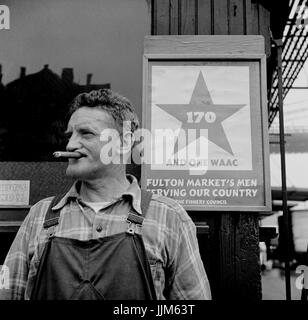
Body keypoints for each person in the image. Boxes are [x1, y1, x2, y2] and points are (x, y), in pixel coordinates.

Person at [0, 89, 211, 300]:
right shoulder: (39, 216)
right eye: (70, 135)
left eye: (86, 133)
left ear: (125, 142)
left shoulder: (168, 216)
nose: (70, 144)